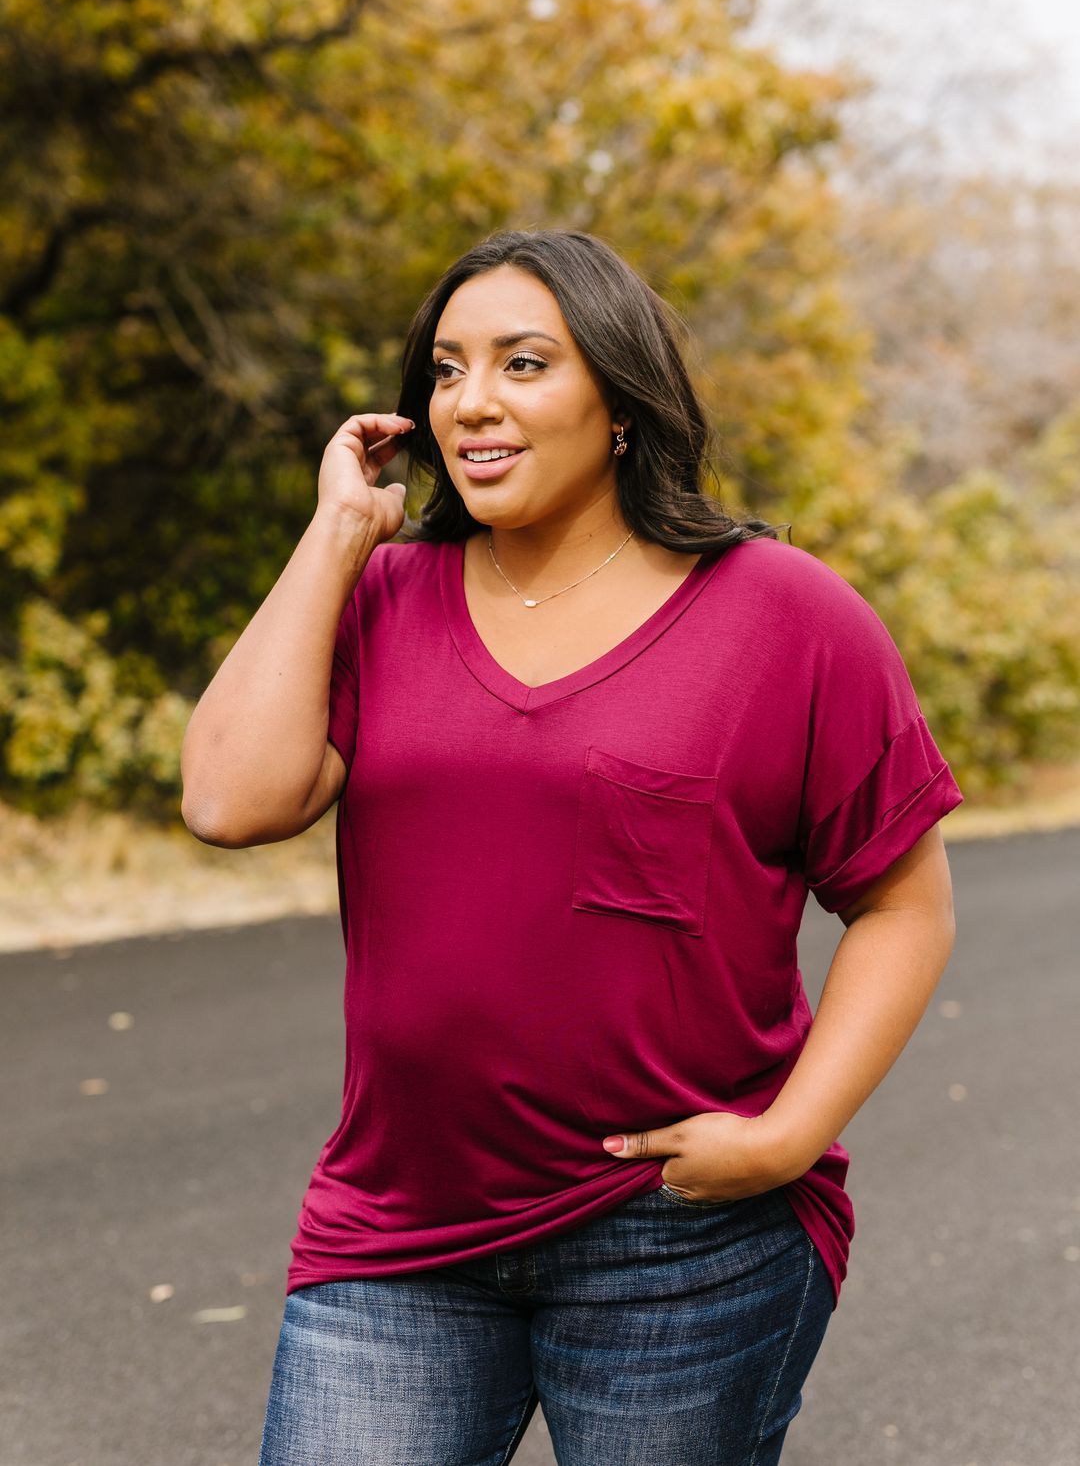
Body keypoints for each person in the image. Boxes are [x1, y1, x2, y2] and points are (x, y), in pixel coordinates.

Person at [181, 229, 964, 1465]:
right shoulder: (384, 596)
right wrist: (337, 534)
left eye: (524, 363)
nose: (472, 401)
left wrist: (786, 1136)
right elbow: (230, 800)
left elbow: (904, 906)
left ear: (621, 403)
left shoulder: (786, 617)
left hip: (680, 1240)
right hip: (398, 1228)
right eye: (447, 369)